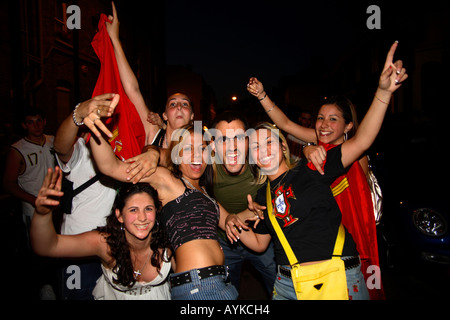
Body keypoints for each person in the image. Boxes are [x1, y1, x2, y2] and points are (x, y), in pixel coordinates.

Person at [227, 42, 407, 300]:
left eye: (269, 141)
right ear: (251, 157)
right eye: (255, 145)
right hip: (288, 286)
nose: (263, 149)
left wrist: (383, 93)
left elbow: (363, 140)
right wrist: (232, 221)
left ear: (284, 146)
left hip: (338, 278)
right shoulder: (261, 197)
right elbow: (257, 240)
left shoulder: (314, 166)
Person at [88, 121, 240, 300]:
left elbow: (231, 220)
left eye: (202, 148)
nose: (197, 155)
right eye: (188, 149)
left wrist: (233, 217)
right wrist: (95, 130)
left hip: (222, 282)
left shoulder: (206, 194)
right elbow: (111, 167)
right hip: (198, 286)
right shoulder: (169, 180)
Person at [30, 167, 172, 300]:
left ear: (156, 211)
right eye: (133, 210)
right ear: (119, 215)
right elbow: (46, 247)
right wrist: (42, 214)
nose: (142, 218)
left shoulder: (168, 242)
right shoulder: (105, 244)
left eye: (148, 209)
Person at [105, 2, 194, 153]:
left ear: (192, 116)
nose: (179, 107)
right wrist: (115, 40)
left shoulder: (201, 144)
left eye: (185, 104)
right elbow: (133, 90)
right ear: (164, 115)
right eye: (172, 104)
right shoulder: (154, 133)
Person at [210, 110, 276, 298]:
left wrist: (308, 149)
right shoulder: (207, 168)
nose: (232, 147)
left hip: (261, 237)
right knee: (227, 295)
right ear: (213, 145)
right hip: (225, 243)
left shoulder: (262, 163)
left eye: (239, 138)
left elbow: (292, 167)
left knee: (282, 289)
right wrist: (152, 152)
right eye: (223, 140)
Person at [3, 107, 56, 299]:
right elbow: (8, 183)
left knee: (57, 247)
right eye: (31, 122)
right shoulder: (18, 149)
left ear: (44, 121)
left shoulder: (53, 141)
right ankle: (43, 286)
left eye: (39, 121)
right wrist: (34, 200)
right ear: (24, 125)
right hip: (33, 209)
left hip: (56, 207)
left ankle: (56, 282)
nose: (36, 125)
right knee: (38, 250)